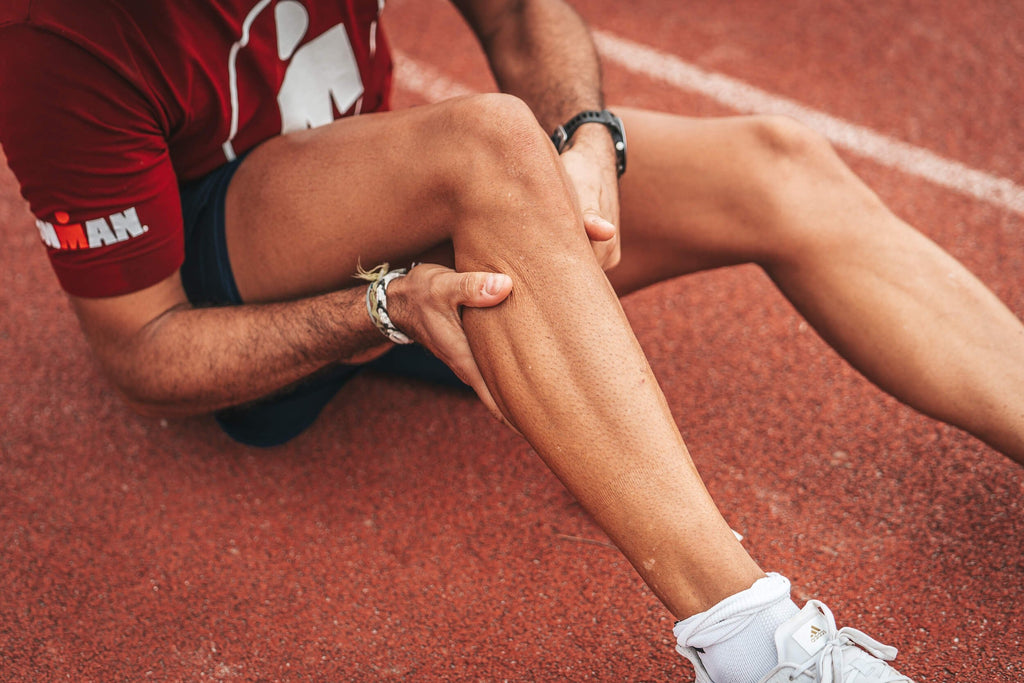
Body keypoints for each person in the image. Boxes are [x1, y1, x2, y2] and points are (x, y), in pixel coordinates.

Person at [1, 1, 1021, 681]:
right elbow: (141, 351)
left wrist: (584, 133)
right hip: (248, 294)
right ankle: (749, 639)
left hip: (390, 185)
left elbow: (521, 13)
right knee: (484, 142)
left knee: (774, 163)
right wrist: (377, 307)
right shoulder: (57, 33)